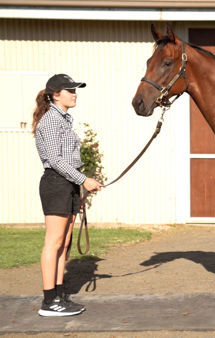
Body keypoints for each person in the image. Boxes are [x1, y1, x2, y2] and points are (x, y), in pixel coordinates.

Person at [32, 74, 102, 317]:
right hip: (56, 183)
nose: (75, 93)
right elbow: (55, 160)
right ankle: (49, 301)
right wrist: (84, 180)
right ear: (55, 94)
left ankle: (59, 295)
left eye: (75, 89)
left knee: (64, 243)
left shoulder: (63, 120)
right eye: (69, 90)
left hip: (67, 183)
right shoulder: (51, 120)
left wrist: (79, 182)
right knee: (53, 242)